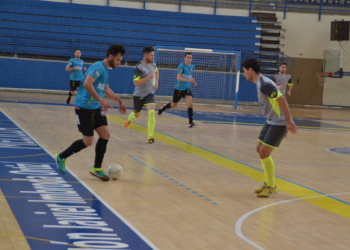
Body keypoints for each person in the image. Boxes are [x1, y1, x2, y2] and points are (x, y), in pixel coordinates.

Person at [55, 44, 127, 181]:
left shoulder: (105, 71)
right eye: (118, 60)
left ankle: (97, 167)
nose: (119, 63)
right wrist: (100, 100)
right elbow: (87, 83)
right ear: (110, 57)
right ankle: (61, 156)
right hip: (83, 107)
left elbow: (106, 89)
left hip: (95, 107)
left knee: (105, 135)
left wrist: (119, 100)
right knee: (88, 141)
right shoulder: (98, 67)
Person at [241, 58, 297, 198]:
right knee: (259, 149)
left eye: (244, 72)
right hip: (270, 120)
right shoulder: (261, 82)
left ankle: (271, 186)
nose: (243, 75)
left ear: (250, 70)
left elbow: (282, 100)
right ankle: (267, 183)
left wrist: (288, 122)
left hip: (279, 122)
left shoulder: (264, 84)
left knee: (264, 152)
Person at [124, 46, 159, 144]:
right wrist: (149, 77)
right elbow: (136, 83)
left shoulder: (153, 65)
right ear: (145, 55)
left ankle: (150, 136)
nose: (153, 57)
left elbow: (156, 71)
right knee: (136, 115)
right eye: (151, 55)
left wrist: (156, 82)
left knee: (151, 113)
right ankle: (129, 119)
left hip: (149, 93)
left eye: (153, 55)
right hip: (138, 95)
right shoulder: (138, 67)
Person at [158, 52, 197, 128]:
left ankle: (190, 122)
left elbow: (189, 78)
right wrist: (189, 80)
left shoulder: (192, 67)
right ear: (184, 58)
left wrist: (192, 82)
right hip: (178, 89)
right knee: (174, 105)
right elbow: (178, 78)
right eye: (188, 57)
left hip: (187, 88)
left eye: (190, 58)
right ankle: (164, 107)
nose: (189, 59)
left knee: (190, 103)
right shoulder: (181, 66)